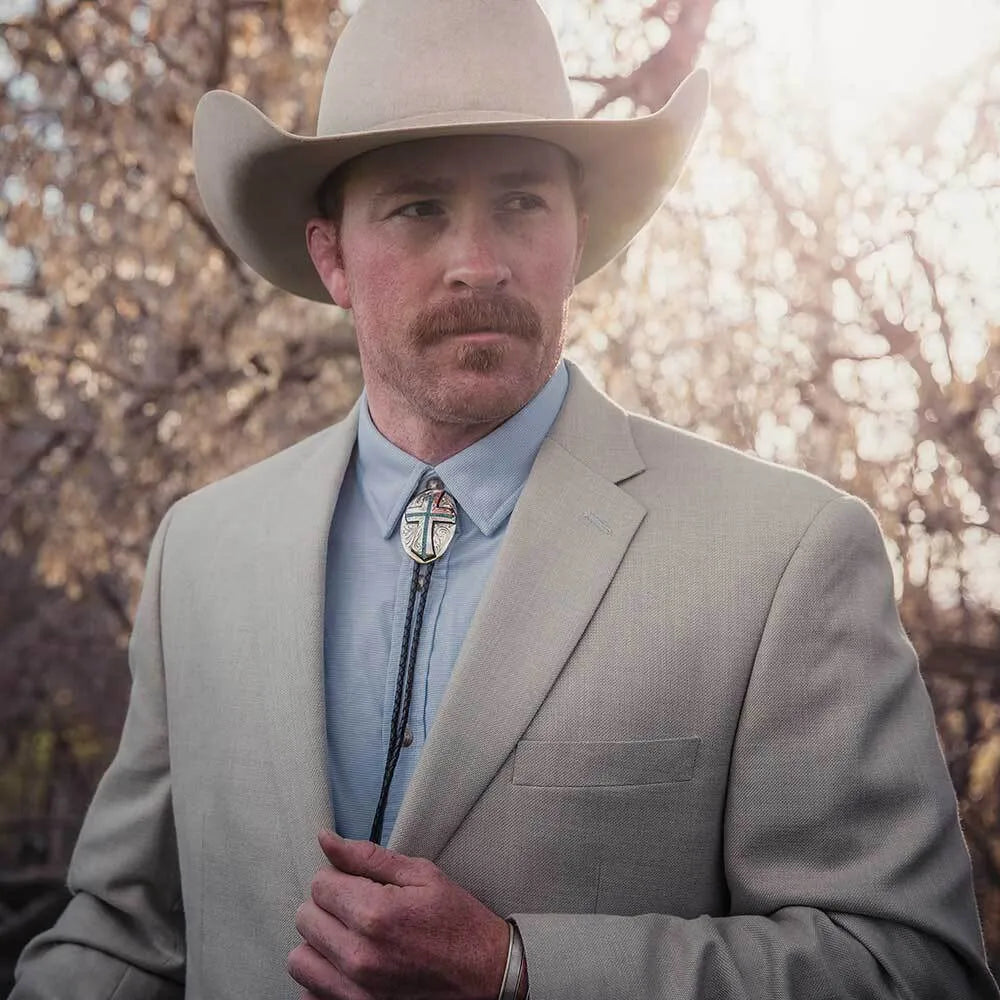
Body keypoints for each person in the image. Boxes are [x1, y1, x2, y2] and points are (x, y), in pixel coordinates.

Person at [12, 0, 999, 997]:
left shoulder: (784, 556)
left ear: (576, 236)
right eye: (418, 208)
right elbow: (125, 936)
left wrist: (518, 967)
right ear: (331, 257)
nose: (478, 263)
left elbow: (908, 967)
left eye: (522, 202)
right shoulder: (202, 553)